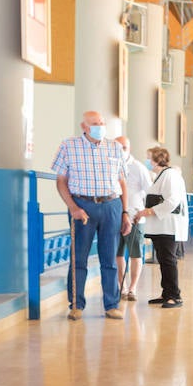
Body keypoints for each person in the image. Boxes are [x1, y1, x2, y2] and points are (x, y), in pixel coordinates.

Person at [52, 111, 130, 320]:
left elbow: (122, 182)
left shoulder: (114, 147)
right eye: (95, 123)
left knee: (110, 258)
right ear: (84, 126)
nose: (100, 126)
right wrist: (72, 207)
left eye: (102, 123)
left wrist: (125, 213)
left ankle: (111, 305)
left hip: (111, 205)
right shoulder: (69, 146)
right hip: (82, 205)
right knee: (79, 258)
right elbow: (61, 182)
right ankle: (76, 305)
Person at [135, 145, 187, 308]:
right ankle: (166, 293)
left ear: (157, 159)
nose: (147, 161)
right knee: (164, 261)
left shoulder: (170, 175)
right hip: (160, 226)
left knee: (168, 260)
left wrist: (149, 211)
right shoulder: (161, 175)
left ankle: (174, 296)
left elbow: (172, 201)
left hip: (168, 226)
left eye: (149, 157)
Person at [115, 135, 152, 302]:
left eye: (124, 147)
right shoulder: (111, 166)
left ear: (129, 148)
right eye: (118, 147)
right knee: (117, 254)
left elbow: (149, 192)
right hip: (115, 217)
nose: (121, 150)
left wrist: (142, 212)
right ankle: (121, 287)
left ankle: (132, 288)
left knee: (135, 254)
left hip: (135, 217)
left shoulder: (138, 168)